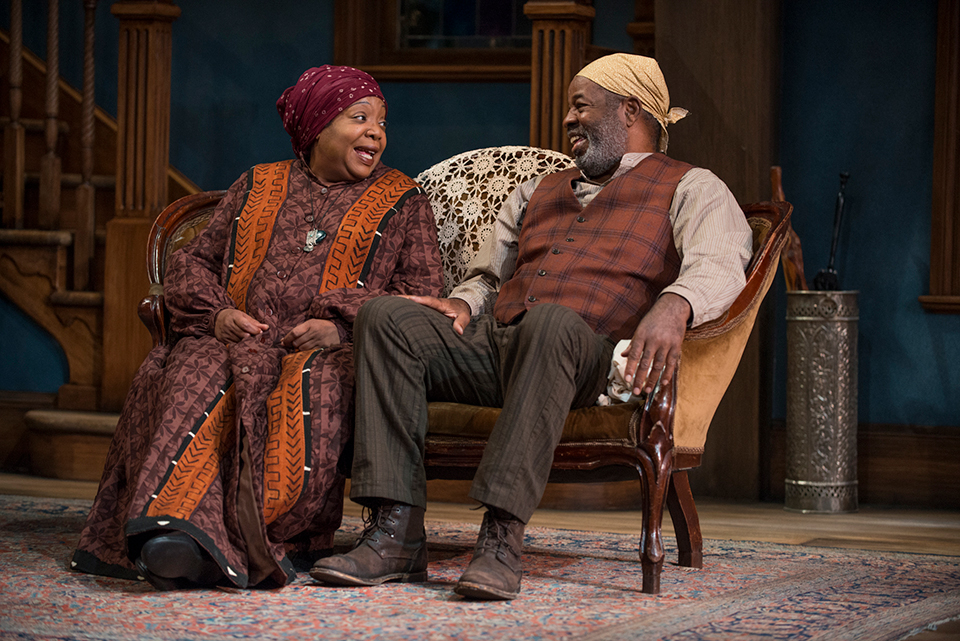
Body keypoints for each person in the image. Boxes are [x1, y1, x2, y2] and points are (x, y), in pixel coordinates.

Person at [308, 53, 753, 600]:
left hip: (589, 356)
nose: (568, 119)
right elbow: (487, 274)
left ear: (630, 110)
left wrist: (675, 304)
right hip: (503, 344)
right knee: (385, 316)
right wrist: (465, 304)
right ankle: (395, 533)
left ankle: (500, 538)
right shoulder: (540, 189)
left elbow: (722, 261)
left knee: (551, 324)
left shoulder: (692, 186)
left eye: (581, 106)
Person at [71, 66, 444, 590]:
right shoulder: (257, 183)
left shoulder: (404, 200)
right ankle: (173, 530)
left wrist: (342, 329)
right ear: (317, 127)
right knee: (194, 367)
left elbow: (423, 297)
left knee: (312, 386)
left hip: (330, 351)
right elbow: (191, 262)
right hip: (237, 336)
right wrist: (218, 314)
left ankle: (245, 538)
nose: (376, 132)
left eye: (382, 122)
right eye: (359, 118)